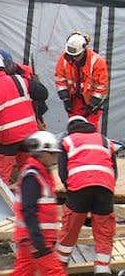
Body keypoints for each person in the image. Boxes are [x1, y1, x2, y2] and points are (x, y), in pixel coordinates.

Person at [0, 54, 48, 185]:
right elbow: (43, 94)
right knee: (31, 173)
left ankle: (2, 205)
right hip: (30, 135)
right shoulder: (21, 80)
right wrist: (33, 81)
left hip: (9, 140)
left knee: (1, 181)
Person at [55, 115, 117, 272]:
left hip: (79, 187)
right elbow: (113, 170)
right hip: (105, 187)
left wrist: (71, 191)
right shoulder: (105, 140)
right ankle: (102, 270)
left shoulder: (67, 141)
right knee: (104, 230)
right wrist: (108, 188)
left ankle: (60, 267)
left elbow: (63, 171)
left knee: (71, 228)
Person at [10, 131, 65, 276]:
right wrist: (37, 239)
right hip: (36, 238)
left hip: (34, 237)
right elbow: (28, 209)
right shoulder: (32, 176)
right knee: (54, 272)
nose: (55, 158)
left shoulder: (39, 174)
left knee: (23, 272)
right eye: (52, 154)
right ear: (41, 153)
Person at [56, 32, 109, 132]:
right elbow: (60, 80)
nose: (73, 58)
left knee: (91, 131)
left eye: (76, 55)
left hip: (92, 103)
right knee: (74, 130)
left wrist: (93, 105)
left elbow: (101, 87)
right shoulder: (64, 59)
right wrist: (65, 99)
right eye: (71, 55)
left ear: (84, 50)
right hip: (74, 101)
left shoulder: (97, 62)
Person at [0, 48, 48, 127]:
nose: (8, 67)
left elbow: (41, 93)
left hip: (34, 111)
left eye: (9, 63)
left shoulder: (24, 71)